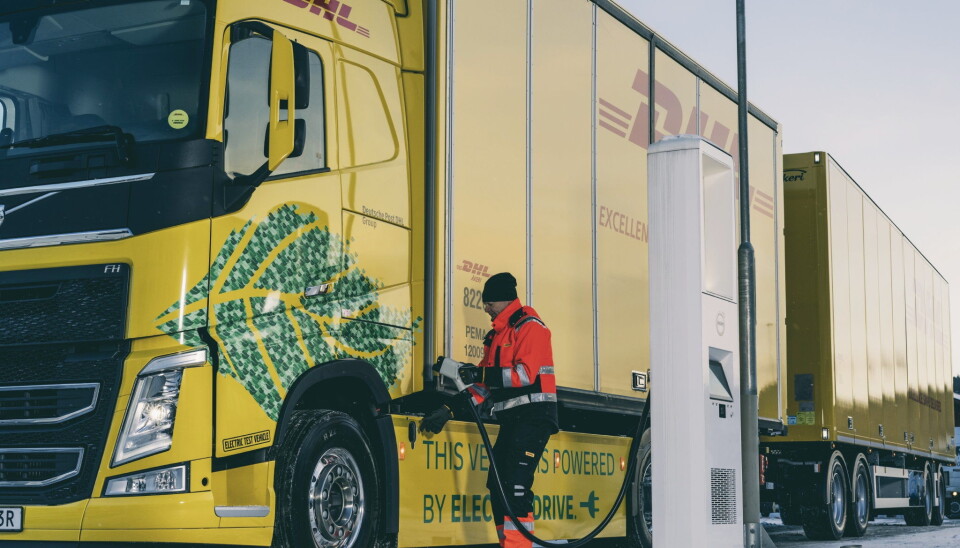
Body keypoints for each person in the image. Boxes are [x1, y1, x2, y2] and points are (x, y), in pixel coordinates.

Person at [420, 272, 558, 548]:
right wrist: (448, 410)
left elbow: (524, 375)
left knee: (515, 487)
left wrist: (480, 373)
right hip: (514, 420)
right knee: (497, 486)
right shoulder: (497, 335)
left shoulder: (530, 327)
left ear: (503, 299)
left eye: (489, 302)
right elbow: (483, 388)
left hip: (534, 418)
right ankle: (507, 544)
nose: (485, 308)